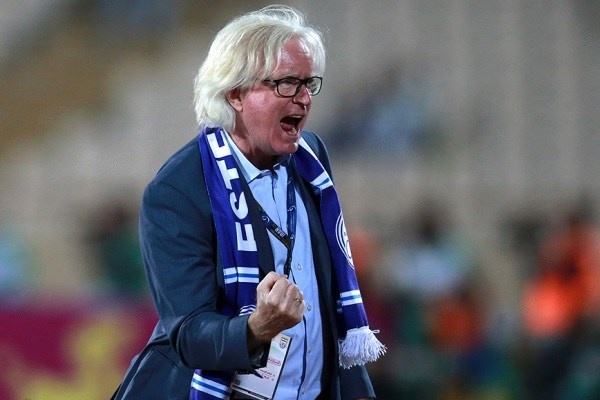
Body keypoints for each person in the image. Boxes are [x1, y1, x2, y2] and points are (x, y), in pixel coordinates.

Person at [112, 5, 384, 400]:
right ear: (236, 93)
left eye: (309, 83)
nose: (304, 98)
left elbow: (328, 298)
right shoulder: (178, 190)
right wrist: (257, 327)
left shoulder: (311, 160)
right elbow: (189, 335)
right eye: (287, 83)